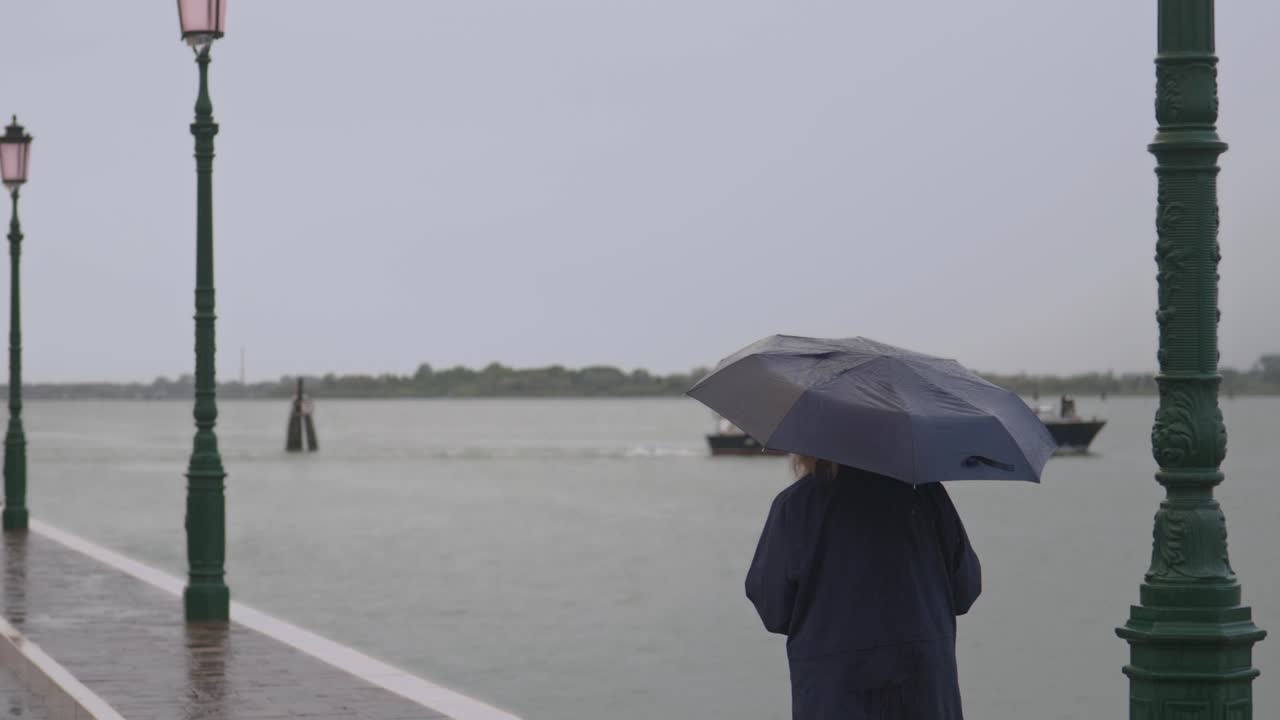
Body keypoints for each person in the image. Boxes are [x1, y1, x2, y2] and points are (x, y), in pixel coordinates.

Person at [746, 456, 981, 719]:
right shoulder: (927, 495)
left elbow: (773, 608)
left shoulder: (796, 506)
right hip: (926, 688)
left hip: (833, 692)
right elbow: (965, 590)